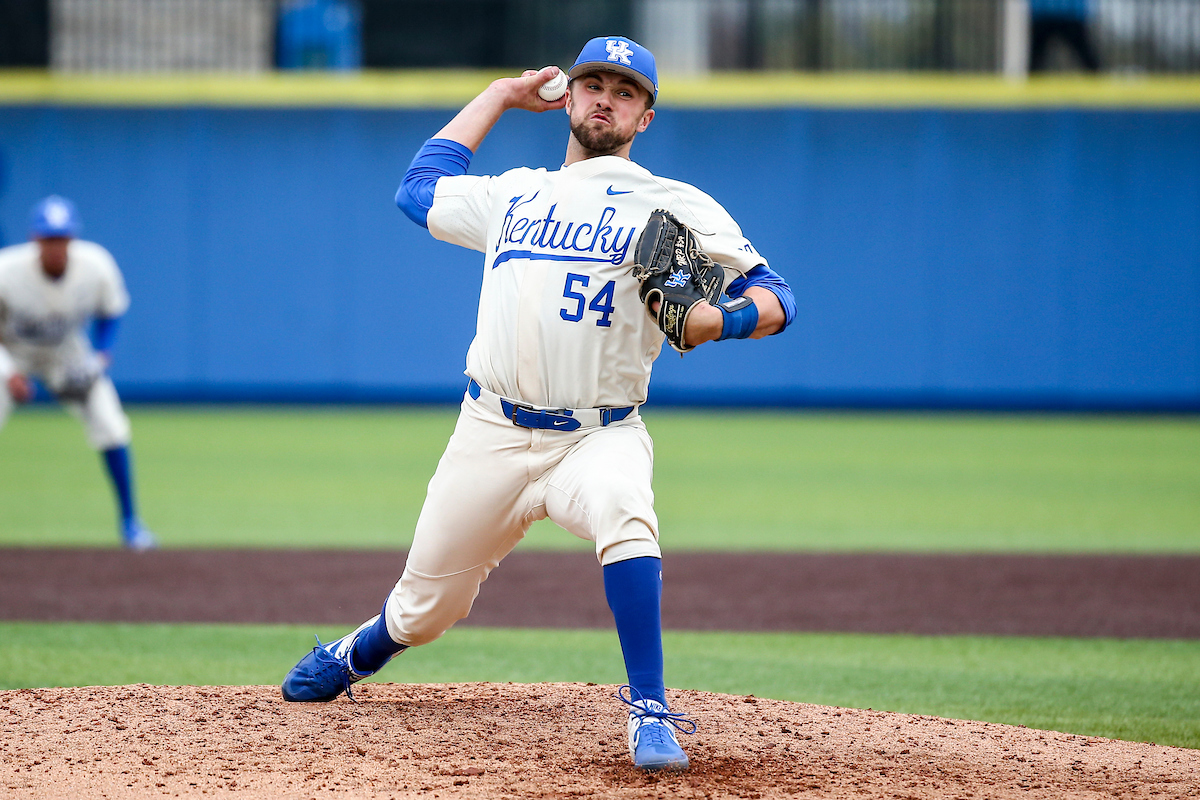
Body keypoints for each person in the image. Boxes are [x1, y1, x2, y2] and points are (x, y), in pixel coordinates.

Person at [281, 35, 796, 772]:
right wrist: (499, 95)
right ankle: (360, 649)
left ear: (645, 117)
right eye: (594, 85)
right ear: (570, 95)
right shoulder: (516, 193)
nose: (605, 100)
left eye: (625, 92)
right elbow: (418, 189)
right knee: (424, 612)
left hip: (598, 434)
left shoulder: (674, 205)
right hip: (490, 431)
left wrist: (724, 318)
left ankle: (650, 710)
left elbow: (778, 296)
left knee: (625, 509)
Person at [0, 195, 157, 551]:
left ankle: (131, 524)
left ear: (72, 238)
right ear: (35, 239)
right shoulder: (6, 270)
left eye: (62, 237)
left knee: (111, 424)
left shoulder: (96, 264)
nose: (56, 246)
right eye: (49, 238)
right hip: (10, 352)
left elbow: (111, 311)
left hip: (66, 353)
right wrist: (8, 372)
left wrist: (100, 356)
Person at [1029, 0, 1100, 73]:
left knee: (1087, 57)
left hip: (1069, 13)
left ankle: (1097, 75)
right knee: (1035, 59)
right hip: (1044, 13)